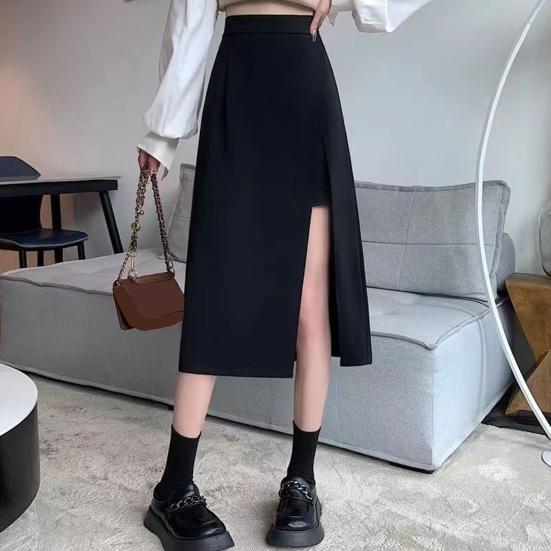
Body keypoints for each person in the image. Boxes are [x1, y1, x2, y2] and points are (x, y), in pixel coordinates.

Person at [136, 0, 373, 549]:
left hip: (305, 91)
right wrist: (162, 134)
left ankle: (302, 480)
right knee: (214, 296)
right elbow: (190, 21)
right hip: (239, 88)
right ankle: (173, 487)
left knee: (310, 307)